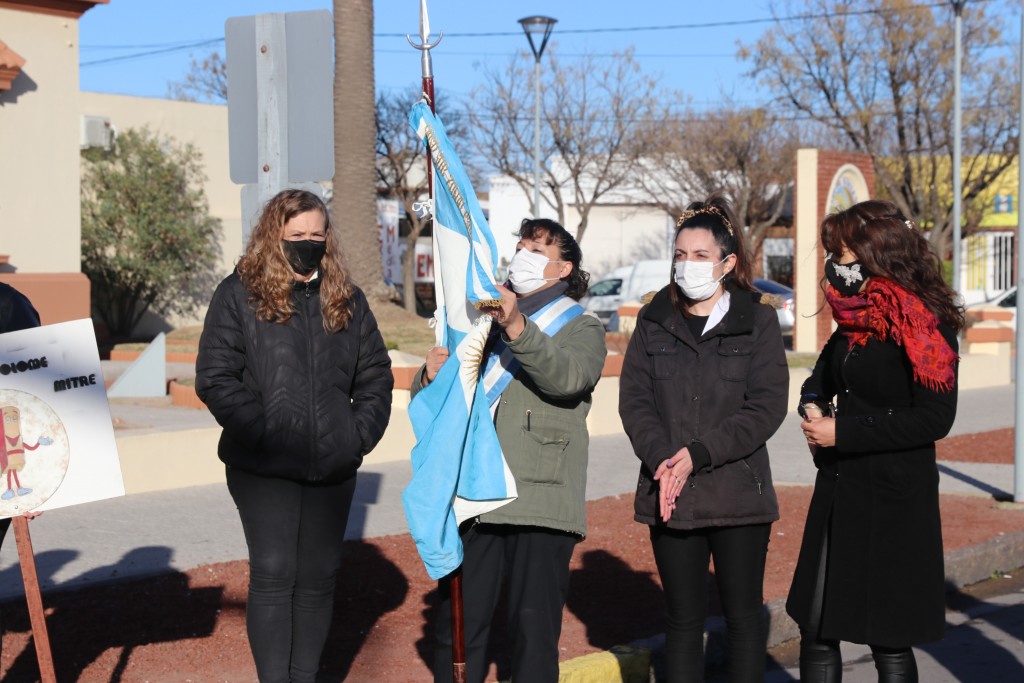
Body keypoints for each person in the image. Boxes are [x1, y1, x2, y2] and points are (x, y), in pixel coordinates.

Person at [195, 188, 393, 683]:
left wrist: (355, 437)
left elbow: (375, 375)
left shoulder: (347, 298)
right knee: (274, 572)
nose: (307, 243)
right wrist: (264, 433)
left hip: (333, 463)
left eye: (316, 234)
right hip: (262, 465)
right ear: (274, 234)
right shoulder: (239, 293)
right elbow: (216, 377)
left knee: (318, 579)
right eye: (296, 234)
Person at [417, 218, 606, 683]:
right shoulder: (481, 319)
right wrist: (430, 377)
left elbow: (567, 379)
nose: (524, 255)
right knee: (457, 631)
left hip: (539, 498)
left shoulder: (582, 326)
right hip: (475, 492)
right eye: (522, 246)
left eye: (538, 250)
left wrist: (517, 325)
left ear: (564, 269)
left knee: (532, 636)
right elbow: (450, 403)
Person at [787, 200, 962, 683]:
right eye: (831, 254)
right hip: (840, 491)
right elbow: (820, 378)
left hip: (893, 500)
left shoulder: (926, 323)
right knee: (815, 627)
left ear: (877, 254)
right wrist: (813, 405)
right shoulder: (854, 320)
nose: (834, 266)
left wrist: (844, 432)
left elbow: (935, 418)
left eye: (841, 255)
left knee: (888, 638)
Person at [619, 194, 789, 682]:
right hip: (669, 492)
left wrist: (697, 454)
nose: (687, 264)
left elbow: (765, 407)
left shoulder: (757, 319)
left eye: (700, 255)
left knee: (743, 620)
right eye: (680, 254)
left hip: (738, 494)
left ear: (727, 263)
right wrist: (662, 458)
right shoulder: (654, 318)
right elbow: (635, 401)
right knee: (682, 622)